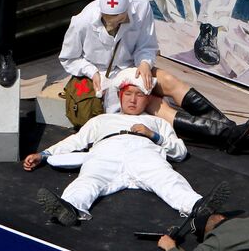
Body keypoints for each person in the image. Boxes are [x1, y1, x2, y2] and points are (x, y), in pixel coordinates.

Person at [58, 0, 249, 150]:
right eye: (112, 22)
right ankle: (226, 134)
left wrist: (144, 63)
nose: (117, 25)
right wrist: (91, 72)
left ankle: (228, 130)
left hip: (132, 66)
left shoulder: (141, 7)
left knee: (169, 81)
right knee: (153, 103)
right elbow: (69, 59)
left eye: (121, 19)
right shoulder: (82, 22)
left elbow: (146, 46)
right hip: (103, 77)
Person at [24, 77, 225, 227]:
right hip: (107, 150)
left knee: (166, 178)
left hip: (143, 150)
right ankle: (68, 207)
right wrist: (45, 154)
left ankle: (198, 207)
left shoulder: (157, 122)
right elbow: (76, 140)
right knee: (89, 179)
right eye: (128, 94)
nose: (132, 100)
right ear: (120, 96)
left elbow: (179, 151)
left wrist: (154, 136)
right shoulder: (102, 120)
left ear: (147, 100)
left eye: (139, 95)